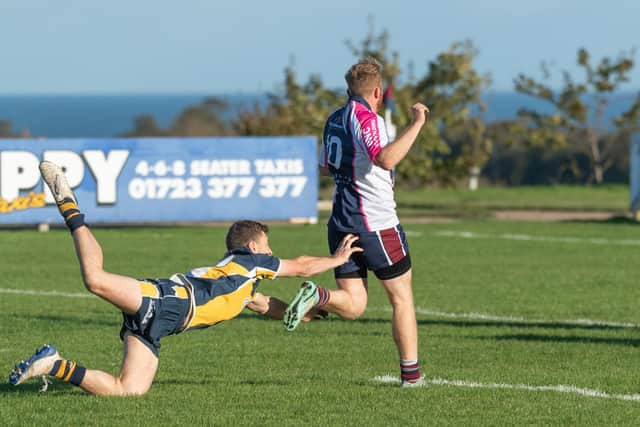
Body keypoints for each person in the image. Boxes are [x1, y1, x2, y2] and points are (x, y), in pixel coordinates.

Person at [8, 161, 362, 396]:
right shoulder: (251, 262)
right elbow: (300, 267)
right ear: (254, 246)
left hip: (161, 324)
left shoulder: (240, 283)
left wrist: (304, 313)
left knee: (127, 390)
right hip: (165, 300)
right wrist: (337, 259)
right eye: (267, 245)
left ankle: (54, 364)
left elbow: (263, 304)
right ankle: (68, 205)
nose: (270, 252)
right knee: (95, 280)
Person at [282, 57, 429, 387]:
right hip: (377, 224)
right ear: (377, 91)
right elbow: (385, 158)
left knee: (354, 305)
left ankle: (318, 296)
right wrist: (417, 123)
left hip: (341, 223)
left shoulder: (334, 119)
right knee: (402, 298)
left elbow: (324, 166)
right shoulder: (369, 120)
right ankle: (412, 377)